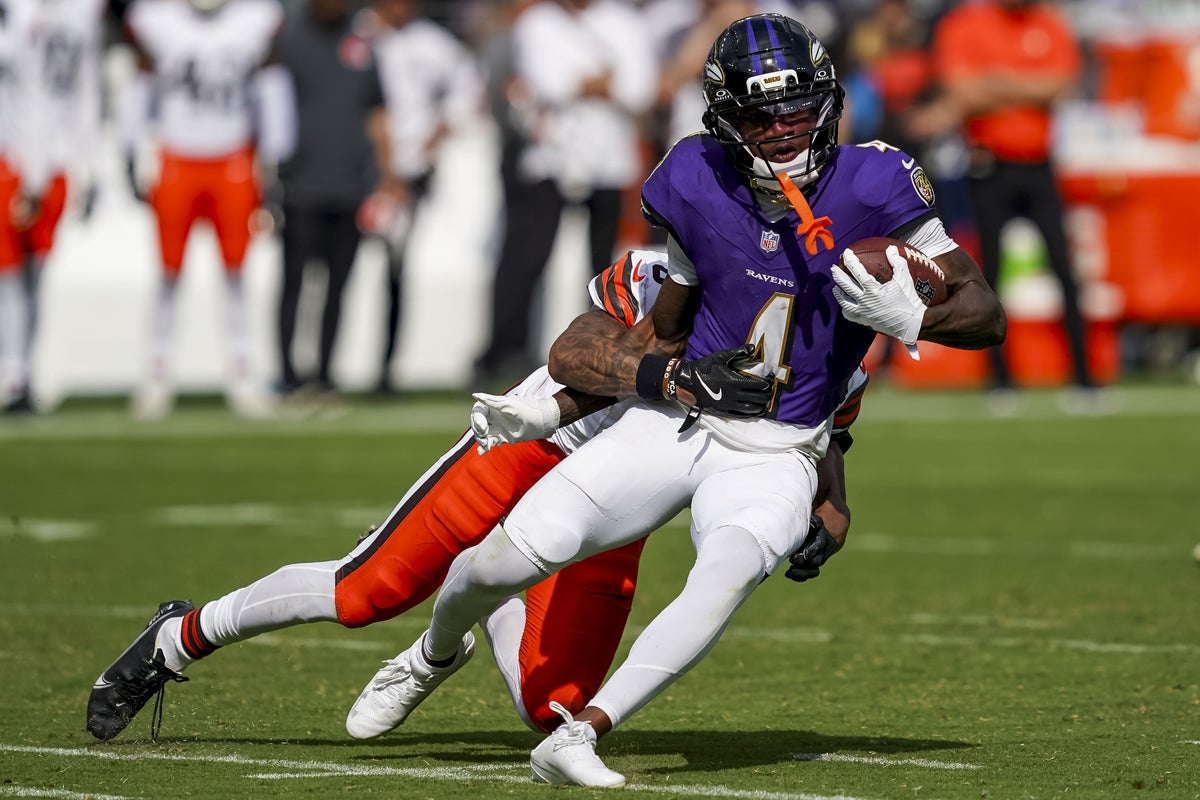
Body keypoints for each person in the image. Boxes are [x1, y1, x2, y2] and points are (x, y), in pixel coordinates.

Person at [346, 13, 1006, 788]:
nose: (786, 130)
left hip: (780, 453)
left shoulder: (877, 180)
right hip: (677, 423)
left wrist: (916, 317)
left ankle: (581, 735)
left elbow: (982, 313)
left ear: (826, 106)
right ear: (728, 121)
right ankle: (431, 653)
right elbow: (665, 331)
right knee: (500, 561)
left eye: (799, 111)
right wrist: (562, 407)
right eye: (764, 116)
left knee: (723, 573)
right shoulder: (694, 176)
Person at [84, 247, 854, 742]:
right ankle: (179, 637)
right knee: (367, 592)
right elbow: (576, 355)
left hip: (626, 501)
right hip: (539, 447)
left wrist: (830, 499)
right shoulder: (674, 264)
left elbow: (831, 422)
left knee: (553, 708)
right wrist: (671, 374)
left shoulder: (826, 304)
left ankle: (493, 596)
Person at [905, 0, 1093, 409]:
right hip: (988, 163)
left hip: (1039, 163)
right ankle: (1001, 380)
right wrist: (1029, 88)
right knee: (988, 275)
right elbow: (962, 91)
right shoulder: (966, 24)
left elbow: (1064, 83)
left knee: (1065, 268)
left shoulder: (1049, 22)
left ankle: (1085, 378)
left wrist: (996, 83)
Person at [471, 0, 657, 390]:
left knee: (602, 266)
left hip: (607, 158)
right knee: (528, 256)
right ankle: (504, 350)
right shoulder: (538, 22)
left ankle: (600, 351)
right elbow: (547, 83)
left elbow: (641, 89)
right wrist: (604, 82)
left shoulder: (622, 20)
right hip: (551, 157)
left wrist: (583, 84)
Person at [122, 0, 289, 419]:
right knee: (168, 271)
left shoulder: (256, 19)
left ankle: (242, 372)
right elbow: (140, 84)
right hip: (177, 157)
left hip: (232, 158)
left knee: (236, 272)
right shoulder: (156, 20)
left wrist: (274, 158)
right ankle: (157, 372)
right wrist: (130, 148)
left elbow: (270, 87)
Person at [272, 0, 399, 398]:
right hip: (300, 185)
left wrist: (387, 173)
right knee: (293, 283)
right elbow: (268, 106)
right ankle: (289, 375)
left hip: (350, 187)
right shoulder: (288, 42)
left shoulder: (361, 44)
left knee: (338, 286)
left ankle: (325, 373)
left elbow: (376, 112)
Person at [362, 0, 483, 396]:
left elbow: (467, 90)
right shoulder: (361, 36)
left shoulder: (435, 44)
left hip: (411, 171)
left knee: (396, 271)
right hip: (360, 170)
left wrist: (439, 131)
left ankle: (385, 367)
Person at [0, 0, 105, 414]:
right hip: (41, 158)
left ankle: (18, 373)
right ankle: (16, 372)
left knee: (23, 277)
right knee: (17, 279)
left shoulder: (40, 17)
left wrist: (39, 173)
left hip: (28, 157)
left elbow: (51, 92)